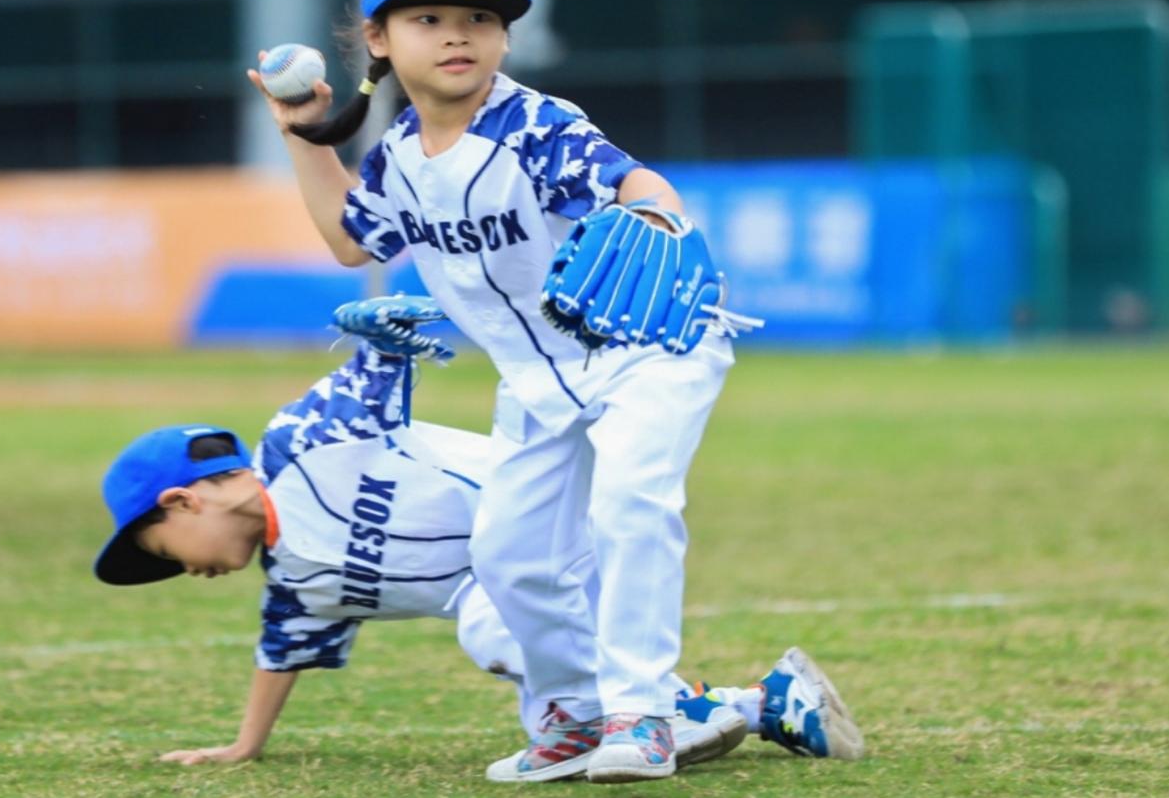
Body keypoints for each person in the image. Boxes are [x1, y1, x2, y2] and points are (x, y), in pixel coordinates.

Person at [245, 0, 754, 781]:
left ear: (505, 37)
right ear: (377, 38)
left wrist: (657, 215)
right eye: (428, 18)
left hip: (645, 349)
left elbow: (633, 180)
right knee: (510, 557)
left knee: (629, 504)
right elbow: (349, 238)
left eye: (479, 18)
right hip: (536, 380)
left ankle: (642, 713)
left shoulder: (534, 125)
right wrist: (303, 132)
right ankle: (573, 714)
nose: (457, 34)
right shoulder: (400, 154)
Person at [91, 304, 863, 777]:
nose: (180, 570)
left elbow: (371, 368)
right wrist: (243, 746)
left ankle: (664, 712)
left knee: (494, 625)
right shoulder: (296, 583)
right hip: (524, 583)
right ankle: (763, 703)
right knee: (555, 724)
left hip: (551, 519)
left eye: (162, 552)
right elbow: (279, 656)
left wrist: (381, 333)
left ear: (181, 499)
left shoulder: (302, 441)